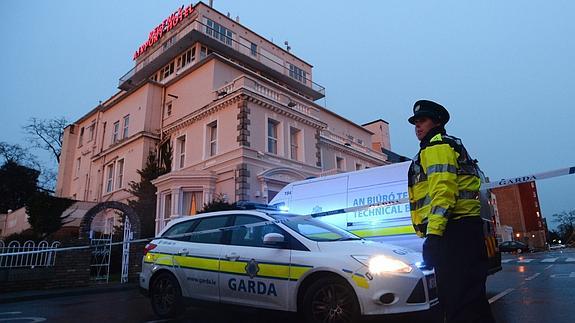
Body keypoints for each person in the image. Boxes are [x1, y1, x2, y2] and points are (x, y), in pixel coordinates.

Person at [407, 100, 495, 323]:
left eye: (422, 121)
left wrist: (434, 235)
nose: (418, 126)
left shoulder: (436, 146)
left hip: (454, 232)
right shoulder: (448, 144)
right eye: (415, 122)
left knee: (458, 303)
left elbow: (443, 192)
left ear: (436, 122)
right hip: (465, 229)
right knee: (472, 302)